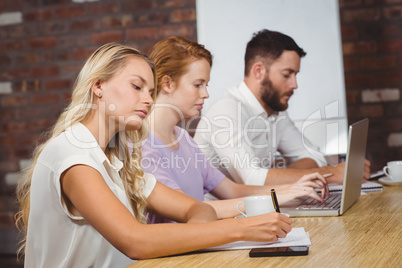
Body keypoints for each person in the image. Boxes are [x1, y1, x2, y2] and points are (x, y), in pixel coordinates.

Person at [15, 43, 292, 267]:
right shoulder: (72, 153)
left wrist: (195, 233)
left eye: (150, 91)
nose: (148, 99)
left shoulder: (118, 159)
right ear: (98, 86)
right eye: (137, 87)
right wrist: (243, 229)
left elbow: (196, 208)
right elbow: (135, 241)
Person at [142, 36, 329, 223]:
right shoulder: (143, 146)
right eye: (198, 84)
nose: (206, 94)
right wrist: (276, 197)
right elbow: (192, 209)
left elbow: (233, 190)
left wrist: (292, 189)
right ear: (167, 84)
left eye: (206, 85)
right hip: (182, 248)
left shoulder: (183, 138)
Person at [193, 29, 371, 186]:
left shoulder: (275, 112)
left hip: (254, 210)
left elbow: (314, 156)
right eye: (287, 74)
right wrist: (330, 175)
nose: (295, 84)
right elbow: (251, 179)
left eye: (296, 75)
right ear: (258, 71)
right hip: (219, 217)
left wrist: (285, 179)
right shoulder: (227, 110)